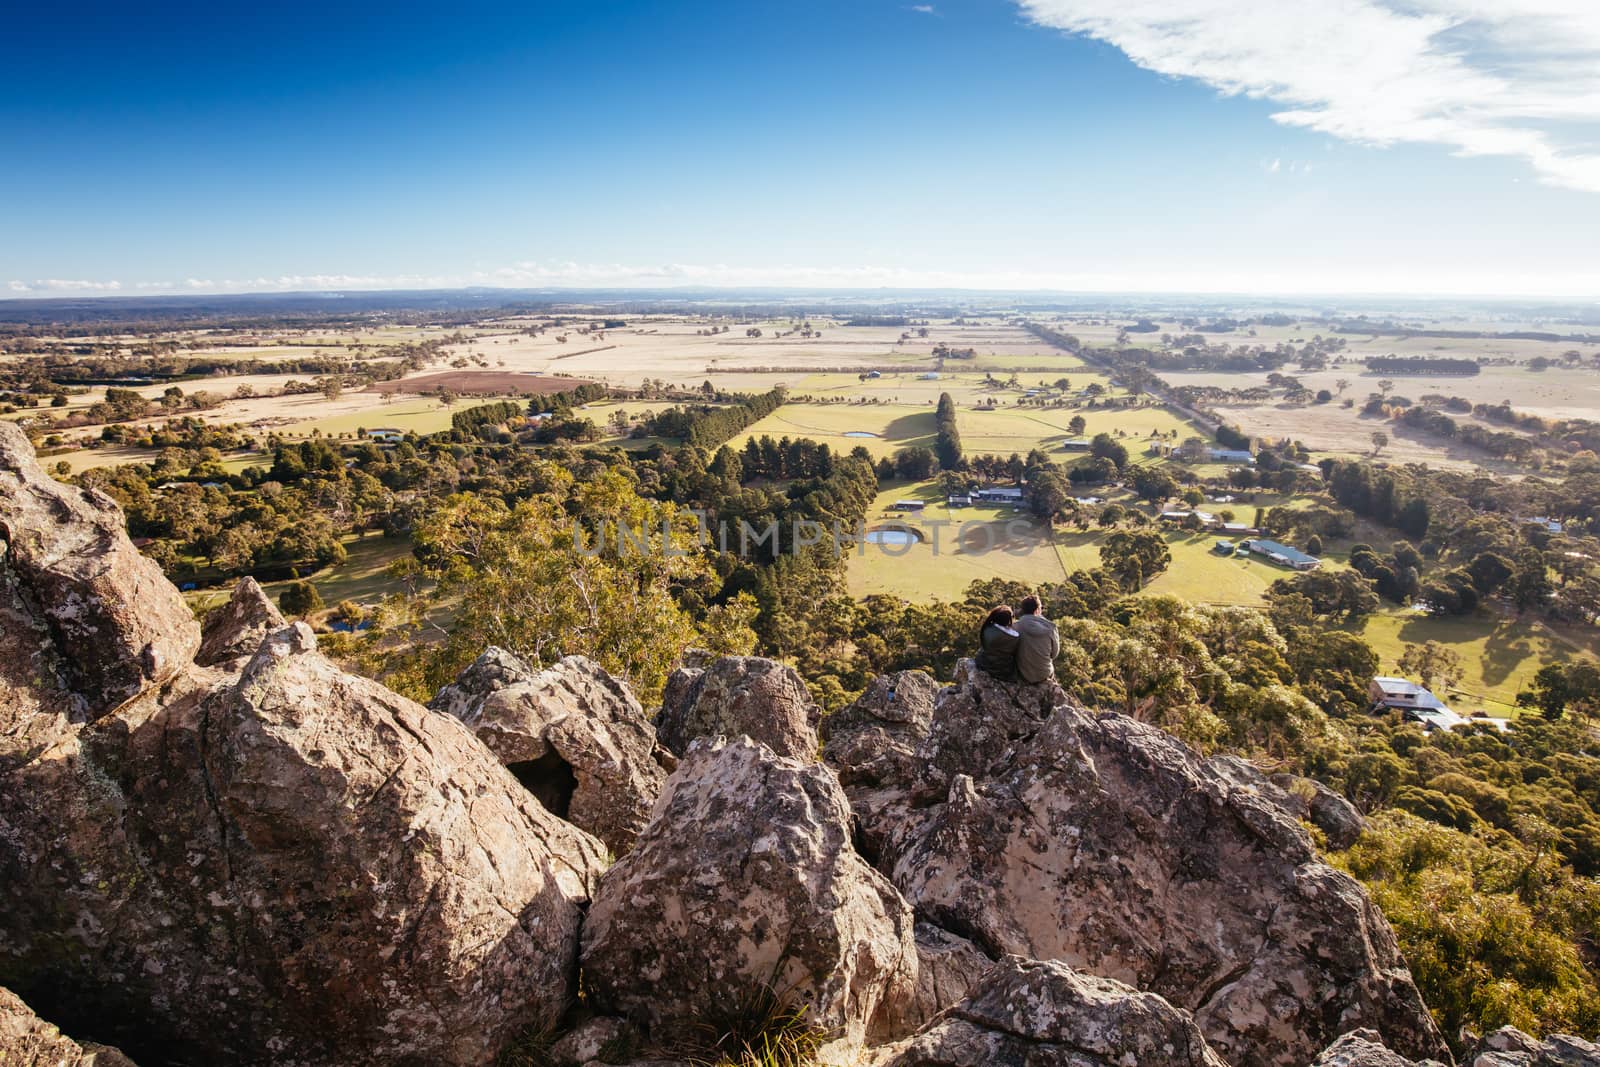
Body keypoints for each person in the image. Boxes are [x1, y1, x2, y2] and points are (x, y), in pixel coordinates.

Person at [1014, 594, 1060, 684]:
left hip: (1022, 674)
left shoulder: (1015, 627)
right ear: (1037, 610)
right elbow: (1054, 654)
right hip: (1045, 674)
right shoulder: (1051, 628)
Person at [975, 605, 1020, 681]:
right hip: (1002, 670)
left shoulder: (987, 628)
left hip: (983, 663)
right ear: (1009, 620)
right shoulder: (1014, 636)